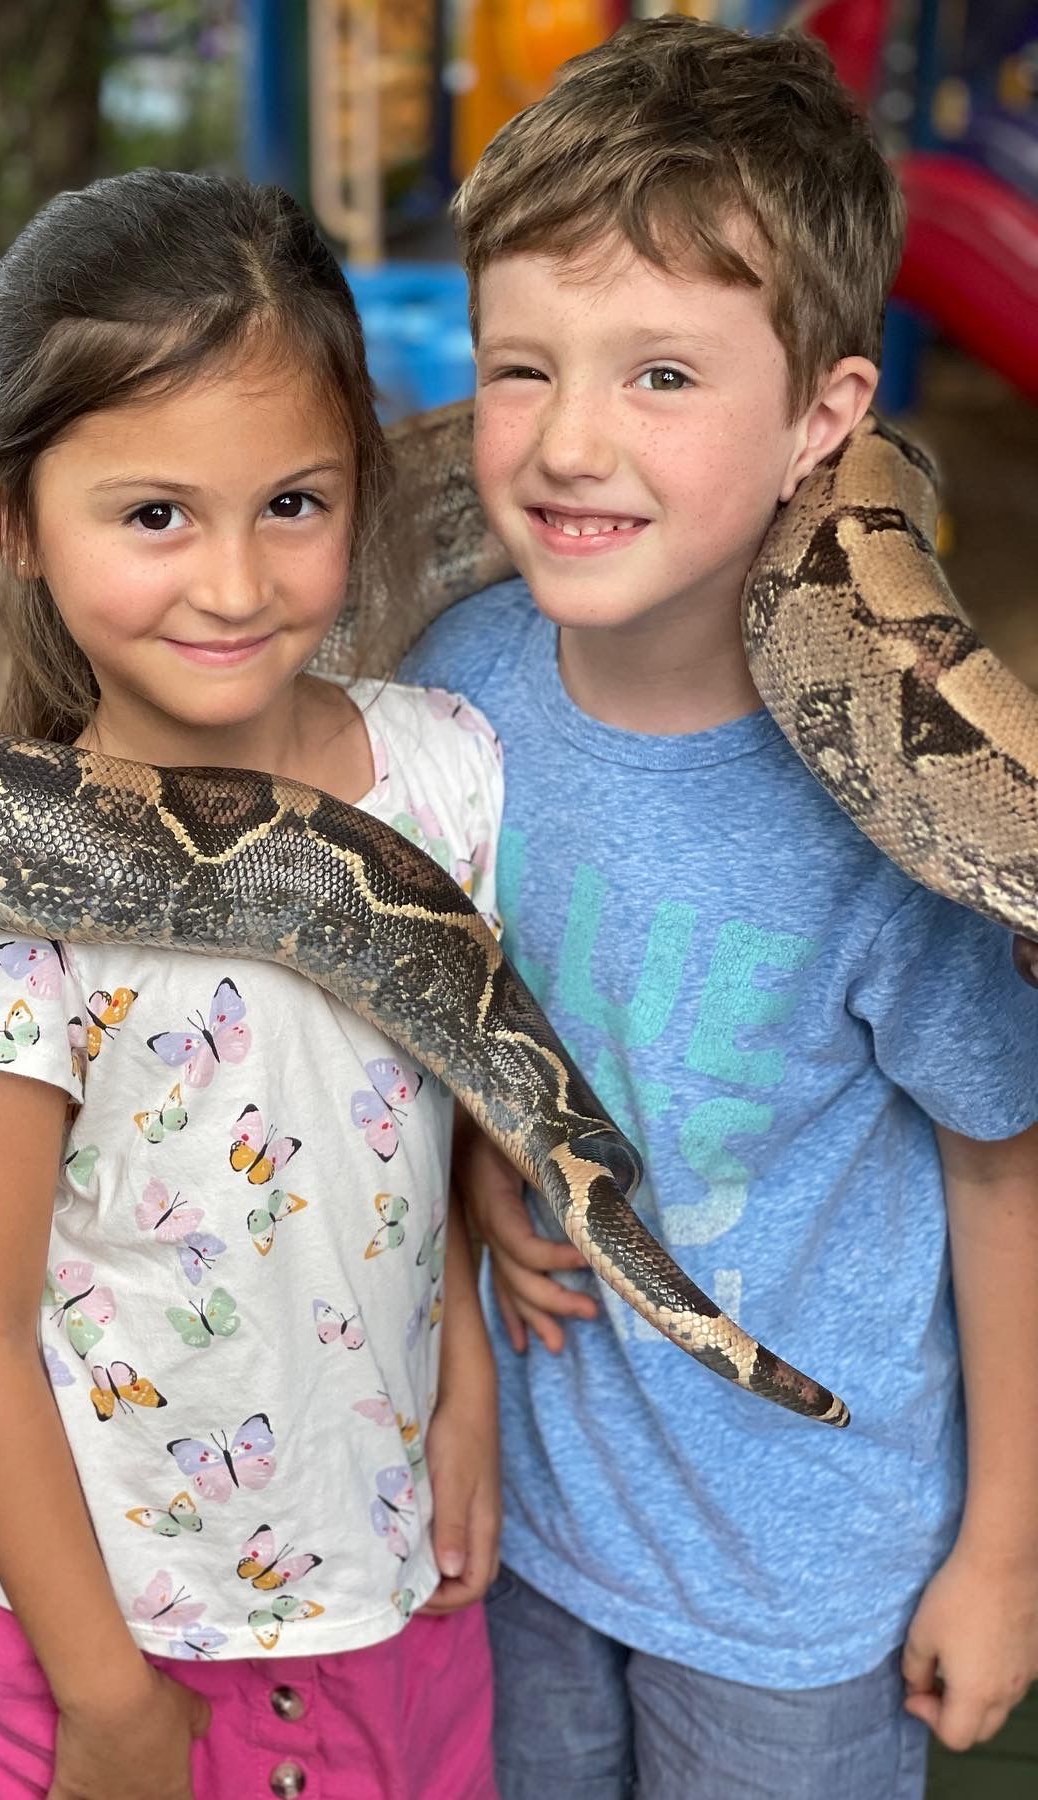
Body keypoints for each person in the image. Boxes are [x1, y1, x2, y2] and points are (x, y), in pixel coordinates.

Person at [400, 17, 1038, 1800]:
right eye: (521, 368)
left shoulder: (896, 823)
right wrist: (470, 1170)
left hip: (801, 1576)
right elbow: (429, 990)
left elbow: (1002, 1157)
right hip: (530, 1513)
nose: (569, 441)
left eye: (664, 378)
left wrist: (1006, 1550)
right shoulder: (455, 688)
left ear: (826, 417)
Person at [0, 169, 505, 1800]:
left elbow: (441, 1113)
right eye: (153, 514)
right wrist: (109, 1703)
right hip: (64, 1641)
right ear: (5, 515)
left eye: (295, 504)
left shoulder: (448, 775)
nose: (237, 584)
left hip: (370, 1585)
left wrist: (465, 1382)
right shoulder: (11, 905)